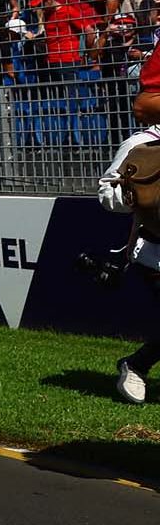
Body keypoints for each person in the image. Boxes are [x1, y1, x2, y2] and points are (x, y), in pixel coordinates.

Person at [96, 47, 160, 404]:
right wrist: (135, 196)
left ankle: (136, 363)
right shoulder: (142, 144)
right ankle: (136, 365)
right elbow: (107, 195)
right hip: (155, 252)